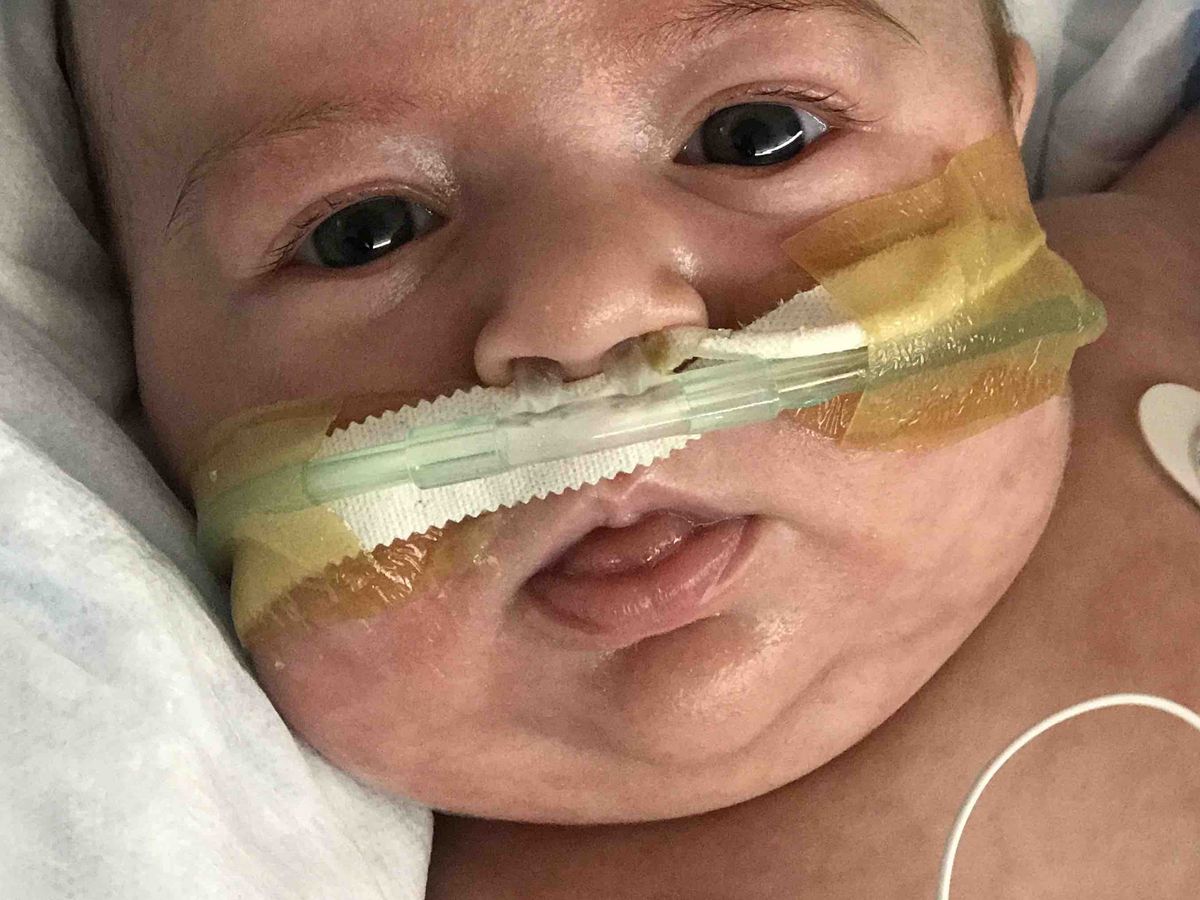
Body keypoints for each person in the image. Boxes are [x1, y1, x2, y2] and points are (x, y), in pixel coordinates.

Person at [61, 0, 1199, 893]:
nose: (585, 308)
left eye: (755, 135)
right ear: (144, 391)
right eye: (363, 233)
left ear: (1006, 141)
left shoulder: (1157, 269)